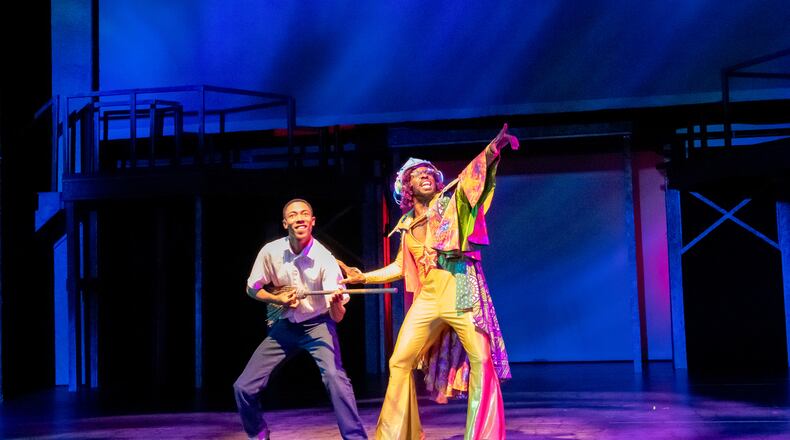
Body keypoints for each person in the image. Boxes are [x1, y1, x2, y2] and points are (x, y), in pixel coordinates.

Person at [340, 124, 518, 440]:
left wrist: (492, 151)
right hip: (429, 296)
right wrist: (363, 276)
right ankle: (399, 435)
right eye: (416, 174)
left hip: (461, 286)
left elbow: (470, 182)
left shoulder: (449, 203)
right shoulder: (406, 225)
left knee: (481, 359)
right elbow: (399, 266)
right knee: (400, 361)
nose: (424, 176)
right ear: (406, 187)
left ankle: (485, 435)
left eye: (428, 173)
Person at [233, 199, 368, 440]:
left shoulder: (324, 259)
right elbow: (251, 289)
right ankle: (258, 433)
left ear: (312, 222)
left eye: (305, 214)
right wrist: (278, 300)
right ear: (286, 223)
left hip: (318, 325)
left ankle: (356, 438)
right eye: (293, 215)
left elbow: (337, 317)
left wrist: (336, 303)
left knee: (335, 379)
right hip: (285, 326)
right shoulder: (271, 252)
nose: (300, 218)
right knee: (243, 386)